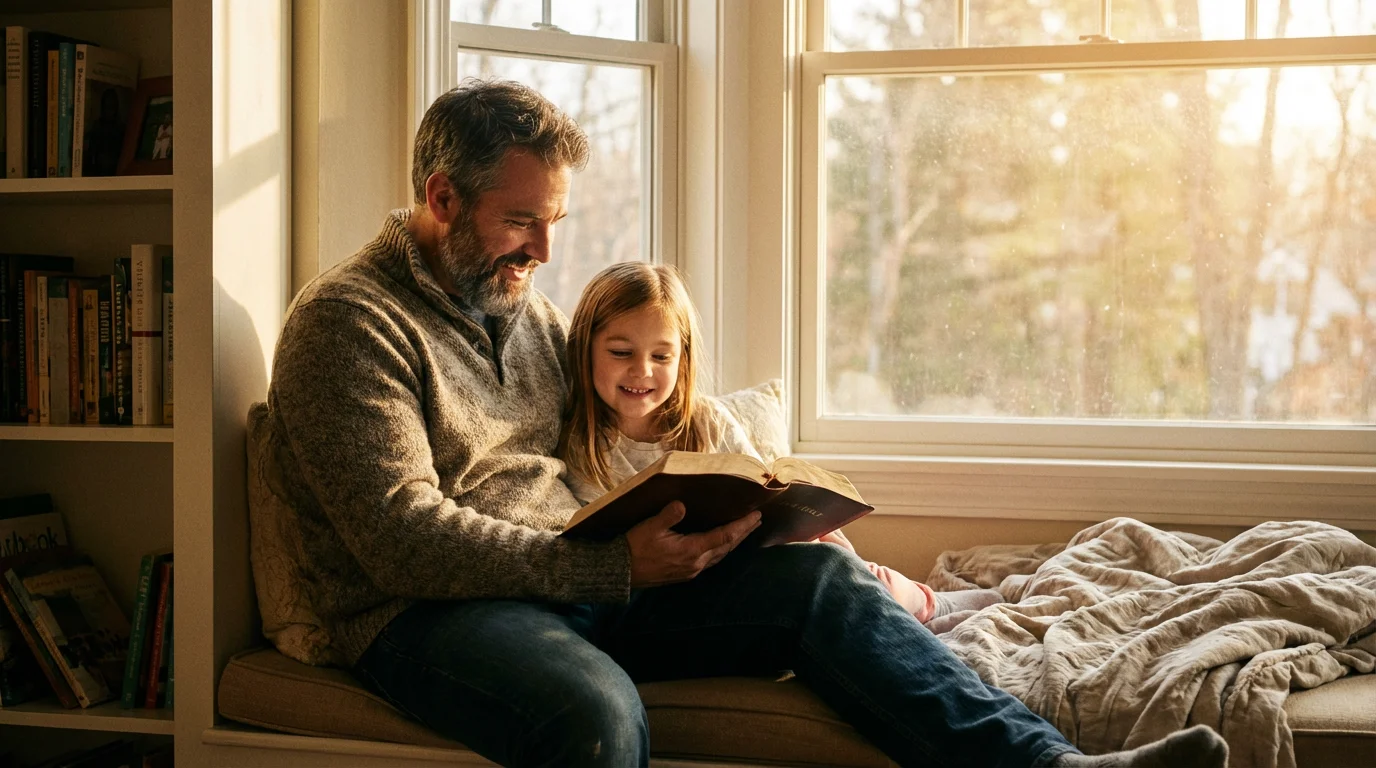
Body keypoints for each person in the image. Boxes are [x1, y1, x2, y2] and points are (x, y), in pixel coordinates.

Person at [261, 77, 1230, 768]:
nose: (545, 250)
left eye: (555, 221)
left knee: (813, 580)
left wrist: (732, 509)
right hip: (427, 616)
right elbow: (399, 538)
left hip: (570, 579)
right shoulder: (347, 324)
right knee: (592, 711)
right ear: (441, 199)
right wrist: (608, 569)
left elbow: (624, 419)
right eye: (523, 222)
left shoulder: (525, 310)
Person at [559, 261, 1005, 631]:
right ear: (586, 348)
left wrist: (807, 524)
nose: (642, 371)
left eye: (661, 356)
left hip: (743, 557)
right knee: (819, 571)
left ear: (683, 358)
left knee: (829, 552)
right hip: (671, 594)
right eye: (621, 352)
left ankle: (923, 603)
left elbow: (760, 484)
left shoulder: (705, 420)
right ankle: (917, 605)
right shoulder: (580, 443)